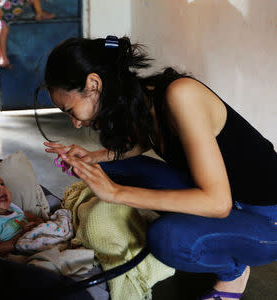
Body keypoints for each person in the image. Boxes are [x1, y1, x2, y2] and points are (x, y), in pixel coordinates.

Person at [37, 35, 277, 300]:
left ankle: (233, 272)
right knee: (115, 169)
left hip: (266, 218)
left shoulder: (180, 95)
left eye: (70, 110)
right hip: (229, 200)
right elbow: (145, 141)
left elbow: (217, 203)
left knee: (166, 238)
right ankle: (214, 234)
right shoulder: (144, 96)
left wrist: (115, 193)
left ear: (93, 84)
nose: (75, 123)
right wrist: (94, 157)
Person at [0, 0, 55, 67]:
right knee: (3, 31)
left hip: (5, 7)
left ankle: (3, 58)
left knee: (2, 31)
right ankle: (40, 13)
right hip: (8, 7)